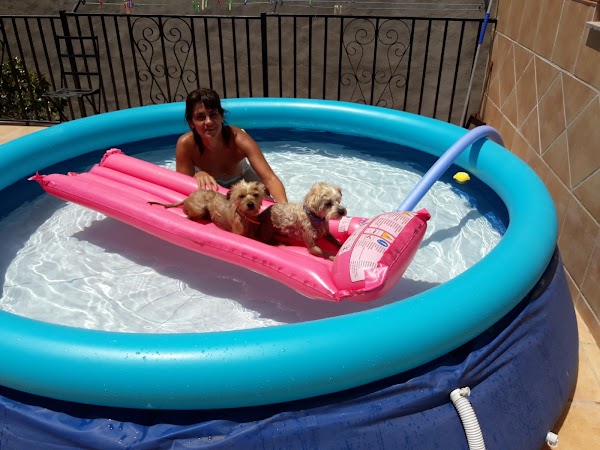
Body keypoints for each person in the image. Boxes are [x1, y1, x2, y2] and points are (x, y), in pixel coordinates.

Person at [175, 88, 288, 203]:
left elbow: (270, 179)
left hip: (243, 179)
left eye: (213, 115)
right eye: (201, 117)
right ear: (191, 122)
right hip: (211, 185)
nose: (208, 122)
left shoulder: (238, 139)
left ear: (222, 116)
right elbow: (182, 187)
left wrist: (284, 207)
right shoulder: (186, 145)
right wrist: (196, 176)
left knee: (265, 199)